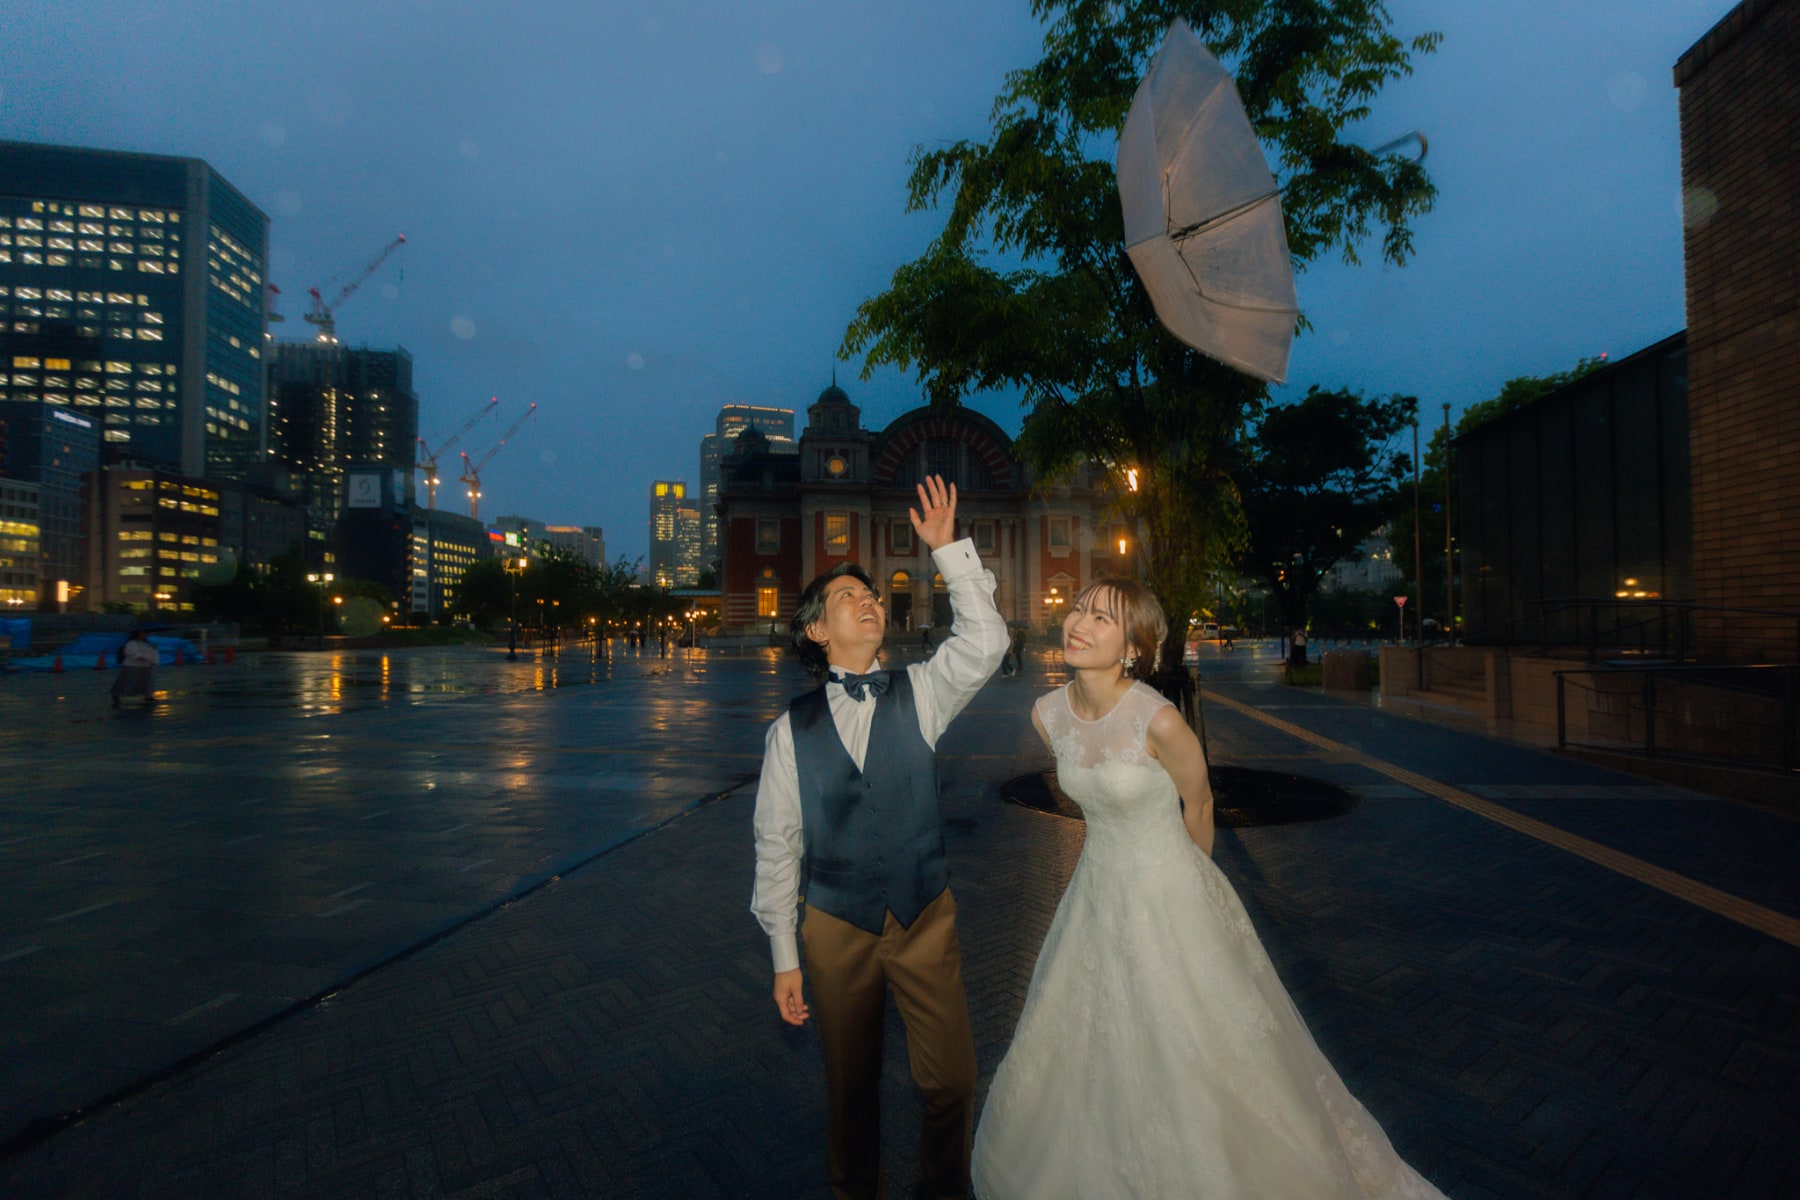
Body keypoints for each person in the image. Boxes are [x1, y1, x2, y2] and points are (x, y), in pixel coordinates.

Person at [972, 577, 1446, 1199]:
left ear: (1133, 648)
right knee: (1092, 1041)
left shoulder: (1159, 719)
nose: (1080, 623)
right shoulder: (1047, 714)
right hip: (1093, 895)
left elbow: (1198, 806)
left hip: (1169, 891)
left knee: (1193, 1043)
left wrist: (1191, 897)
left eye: (1103, 618)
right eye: (1079, 610)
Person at [751, 474, 1007, 1200]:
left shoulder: (922, 692)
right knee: (851, 1091)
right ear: (816, 630)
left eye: (870, 594)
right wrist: (784, 956)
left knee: (952, 1080)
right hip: (835, 927)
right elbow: (777, 845)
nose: (867, 600)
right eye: (847, 596)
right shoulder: (789, 731)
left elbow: (986, 643)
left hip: (925, 915)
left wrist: (948, 550)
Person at [111, 629, 159, 708]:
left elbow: (153, 653)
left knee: (146, 681)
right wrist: (148, 660)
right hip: (132, 666)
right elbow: (134, 654)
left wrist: (153, 660)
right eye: (143, 633)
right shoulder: (131, 643)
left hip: (146, 666)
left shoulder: (148, 644)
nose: (145, 635)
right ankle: (122, 695)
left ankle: (146, 695)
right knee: (129, 681)